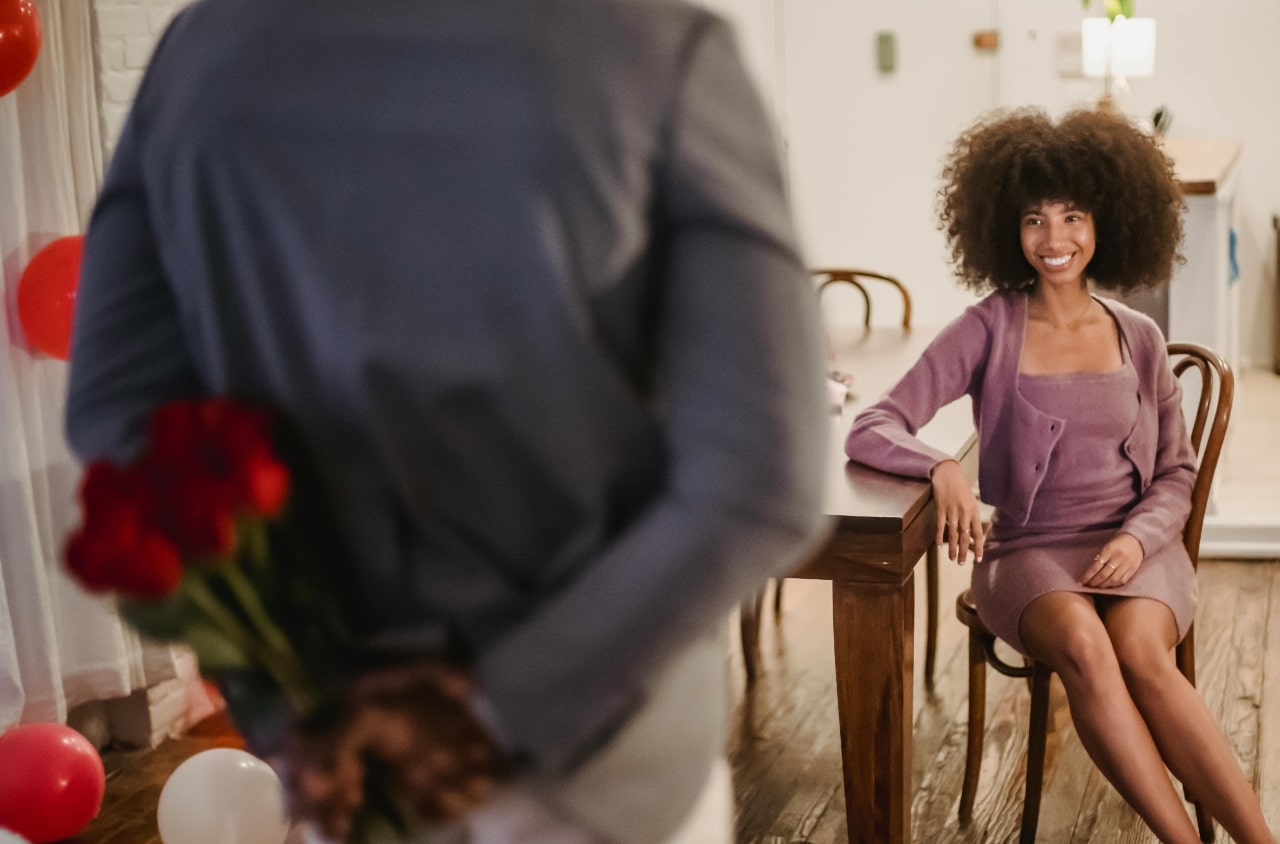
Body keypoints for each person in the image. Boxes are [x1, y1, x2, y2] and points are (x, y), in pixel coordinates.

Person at [64, 1, 832, 842]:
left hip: (341, 752)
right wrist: (494, 709)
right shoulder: (653, 44)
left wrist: (293, 703)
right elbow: (763, 474)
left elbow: (119, 411)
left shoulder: (203, 51)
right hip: (600, 764)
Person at [844, 107, 1275, 844]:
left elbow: (1176, 473)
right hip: (1028, 552)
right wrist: (943, 465)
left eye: (1073, 216)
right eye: (1034, 220)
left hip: (1133, 548)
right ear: (1006, 231)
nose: (1055, 240)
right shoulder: (988, 328)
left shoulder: (1138, 335)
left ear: (1105, 220)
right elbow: (872, 424)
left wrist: (1140, 541)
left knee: (1141, 651)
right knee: (1082, 643)